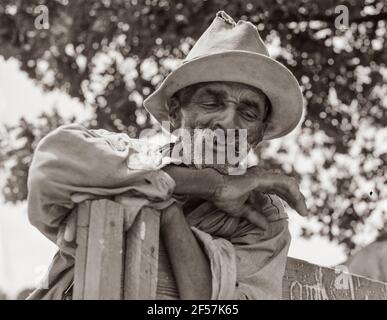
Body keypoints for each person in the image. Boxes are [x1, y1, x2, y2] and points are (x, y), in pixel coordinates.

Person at [27, 11, 307, 300]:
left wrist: (165, 207)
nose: (227, 121)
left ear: (258, 136)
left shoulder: (265, 216)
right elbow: (51, 166)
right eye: (211, 102)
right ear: (175, 114)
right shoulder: (132, 155)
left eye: (248, 114)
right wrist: (212, 185)